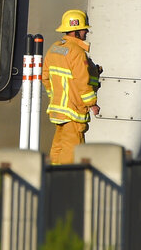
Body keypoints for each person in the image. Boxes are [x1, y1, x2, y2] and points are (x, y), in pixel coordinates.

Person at [42, 9, 101, 165]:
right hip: (73, 111)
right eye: (83, 29)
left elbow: (46, 77)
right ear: (75, 31)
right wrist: (92, 104)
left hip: (58, 110)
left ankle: (54, 178)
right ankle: (66, 182)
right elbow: (83, 81)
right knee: (73, 151)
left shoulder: (54, 48)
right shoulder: (77, 52)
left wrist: (54, 96)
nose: (86, 31)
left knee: (59, 148)